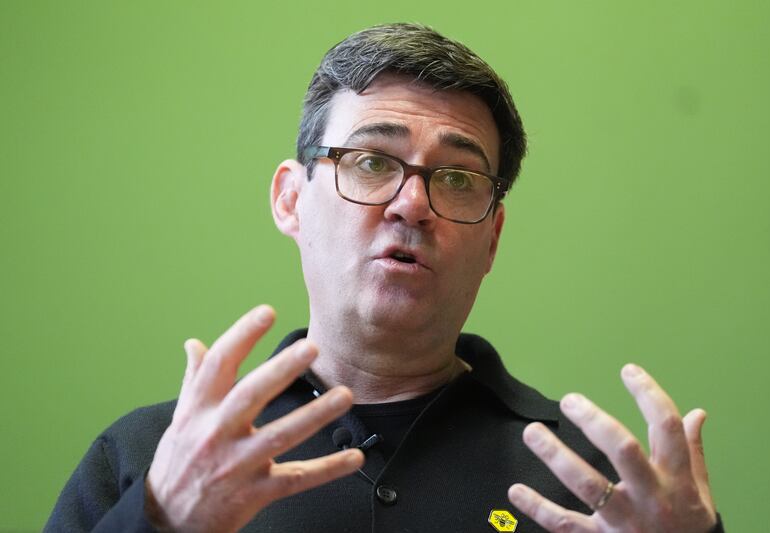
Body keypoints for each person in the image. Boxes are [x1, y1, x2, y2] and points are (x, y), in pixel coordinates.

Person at [46, 23, 723, 533]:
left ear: (492, 236)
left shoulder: (599, 486)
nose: (412, 203)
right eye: (372, 161)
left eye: (457, 178)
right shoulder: (148, 457)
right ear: (291, 199)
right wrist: (158, 519)